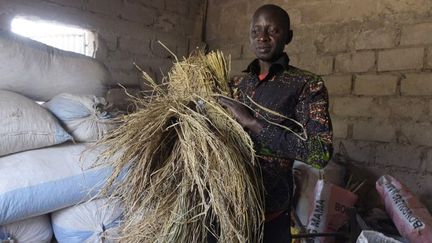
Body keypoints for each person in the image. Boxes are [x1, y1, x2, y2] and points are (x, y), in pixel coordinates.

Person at [217, 4, 333, 243]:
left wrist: (252, 122)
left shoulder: (305, 84)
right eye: (256, 31)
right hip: (223, 210)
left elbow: (319, 153)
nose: (262, 37)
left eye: (273, 31)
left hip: (269, 217)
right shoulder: (235, 85)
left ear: (288, 36)